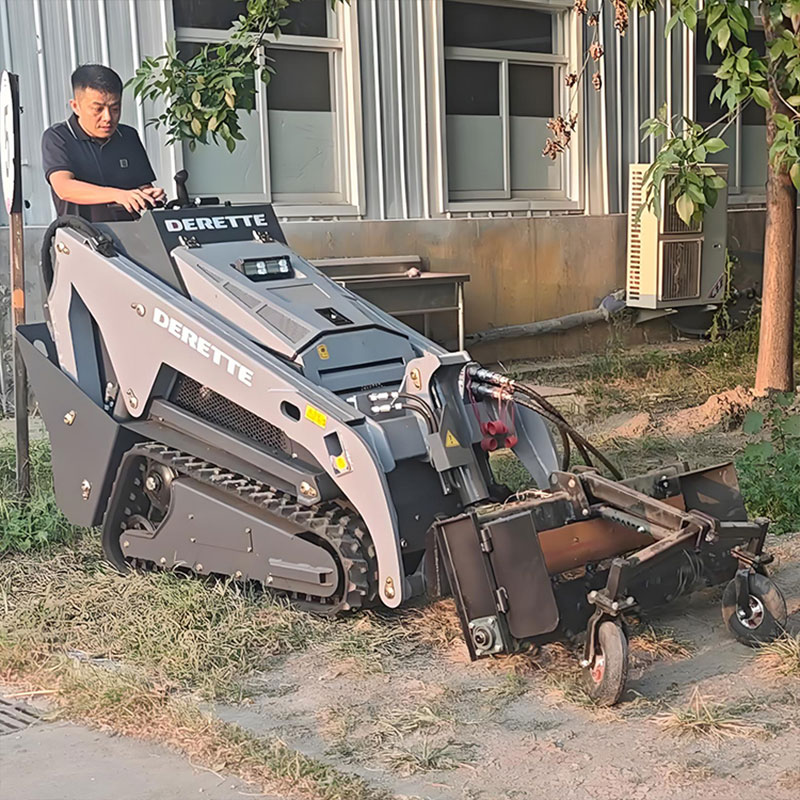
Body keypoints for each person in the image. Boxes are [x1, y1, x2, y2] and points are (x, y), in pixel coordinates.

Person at [41, 64, 165, 221]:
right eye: (98, 109)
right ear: (76, 107)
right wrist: (118, 195)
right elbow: (64, 187)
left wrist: (151, 196)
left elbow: (143, 186)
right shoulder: (58, 137)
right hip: (81, 236)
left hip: (130, 235)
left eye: (114, 109)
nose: (107, 118)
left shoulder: (128, 136)